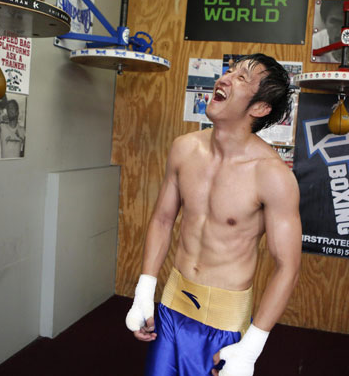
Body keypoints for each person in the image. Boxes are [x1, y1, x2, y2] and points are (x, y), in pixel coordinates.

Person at [125, 53, 301, 376]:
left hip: (223, 326)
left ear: (259, 108)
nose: (225, 78)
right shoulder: (184, 148)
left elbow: (287, 267)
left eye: (242, 78)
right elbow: (163, 220)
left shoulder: (272, 176)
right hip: (170, 309)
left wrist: (252, 347)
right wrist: (145, 291)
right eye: (230, 71)